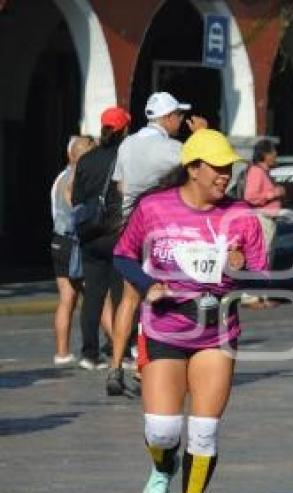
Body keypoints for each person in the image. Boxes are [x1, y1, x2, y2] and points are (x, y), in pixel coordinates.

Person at [112, 129, 265, 493]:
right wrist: (148, 285)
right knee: (162, 430)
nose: (225, 175)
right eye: (217, 167)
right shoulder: (154, 208)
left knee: (204, 431)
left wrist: (239, 265)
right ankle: (163, 468)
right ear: (193, 168)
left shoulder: (242, 215)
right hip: (164, 326)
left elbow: (260, 270)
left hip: (217, 331)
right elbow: (123, 255)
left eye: (229, 167)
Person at [107, 92, 207, 396]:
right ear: (166, 118)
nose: (180, 120)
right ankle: (146, 367)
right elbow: (203, 172)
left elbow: (120, 185)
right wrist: (201, 135)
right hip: (161, 228)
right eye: (177, 115)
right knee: (159, 297)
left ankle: (114, 367)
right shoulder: (172, 148)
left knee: (129, 299)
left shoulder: (127, 144)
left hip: (129, 226)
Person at [71, 107, 131, 375]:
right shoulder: (126, 158)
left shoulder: (86, 159)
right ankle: (120, 349)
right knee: (121, 296)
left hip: (90, 234)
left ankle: (88, 353)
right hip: (118, 233)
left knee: (93, 295)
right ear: (124, 129)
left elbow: (76, 199)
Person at [50, 135, 95, 365]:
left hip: (58, 241)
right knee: (97, 296)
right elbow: (76, 211)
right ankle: (119, 349)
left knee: (67, 298)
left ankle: (62, 352)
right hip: (73, 243)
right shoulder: (76, 178)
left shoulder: (60, 177)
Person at [241, 138, 286, 307]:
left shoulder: (265, 172)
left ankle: (262, 295)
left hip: (269, 219)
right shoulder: (256, 171)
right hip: (261, 218)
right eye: (273, 152)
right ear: (265, 154)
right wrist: (274, 193)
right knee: (259, 256)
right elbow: (250, 196)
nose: (275, 155)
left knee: (267, 258)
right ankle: (250, 296)